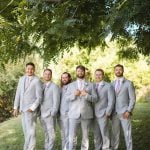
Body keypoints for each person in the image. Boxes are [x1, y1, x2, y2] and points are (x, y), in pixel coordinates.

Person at [66, 65, 97, 150]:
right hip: (73, 114)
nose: (80, 72)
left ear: (84, 72)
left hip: (86, 114)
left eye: (82, 71)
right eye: (78, 71)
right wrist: (74, 95)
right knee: (72, 136)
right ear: (76, 72)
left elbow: (95, 98)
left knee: (85, 137)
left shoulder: (91, 85)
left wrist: (86, 95)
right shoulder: (71, 85)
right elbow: (67, 98)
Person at [13, 62, 43, 150]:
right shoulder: (21, 79)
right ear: (25, 69)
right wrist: (16, 107)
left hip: (31, 110)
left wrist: (32, 107)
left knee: (31, 132)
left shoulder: (37, 80)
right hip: (23, 109)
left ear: (34, 70)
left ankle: (29, 148)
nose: (29, 70)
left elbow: (39, 97)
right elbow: (18, 93)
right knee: (26, 131)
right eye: (28, 68)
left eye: (31, 69)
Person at [111, 64, 136, 150]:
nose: (118, 71)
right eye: (116, 69)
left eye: (120, 69)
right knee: (115, 134)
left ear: (123, 71)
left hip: (125, 113)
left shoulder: (129, 83)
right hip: (114, 114)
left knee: (127, 134)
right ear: (114, 71)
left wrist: (128, 111)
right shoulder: (112, 84)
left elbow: (132, 99)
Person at [94, 69, 115, 150]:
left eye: (100, 74)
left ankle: (106, 148)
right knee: (96, 134)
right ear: (94, 75)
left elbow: (111, 100)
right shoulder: (93, 85)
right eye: (96, 74)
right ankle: (97, 148)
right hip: (94, 114)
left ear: (103, 75)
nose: (98, 76)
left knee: (104, 133)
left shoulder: (108, 86)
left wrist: (108, 112)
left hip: (104, 113)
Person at [40, 68, 60, 150]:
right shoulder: (41, 86)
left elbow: (56, 101)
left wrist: (53, 113)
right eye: (46, 74)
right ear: (43, 75)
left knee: (51, 134)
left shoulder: (54, 86)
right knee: (46, 133)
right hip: (42, 114)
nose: (47, 75)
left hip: (50, 114)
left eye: (49, 74)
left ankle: (50, 148)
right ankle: (46, 147)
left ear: (51, 76)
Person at [59, 72, 72, 150]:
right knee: (63, 134)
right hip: (60, 115)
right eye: (62, 77)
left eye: (66, 77)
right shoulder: (59, 88)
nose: (64, 79)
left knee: (69, 134)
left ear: (69, 78)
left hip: (68, 114)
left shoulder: (72, 87)